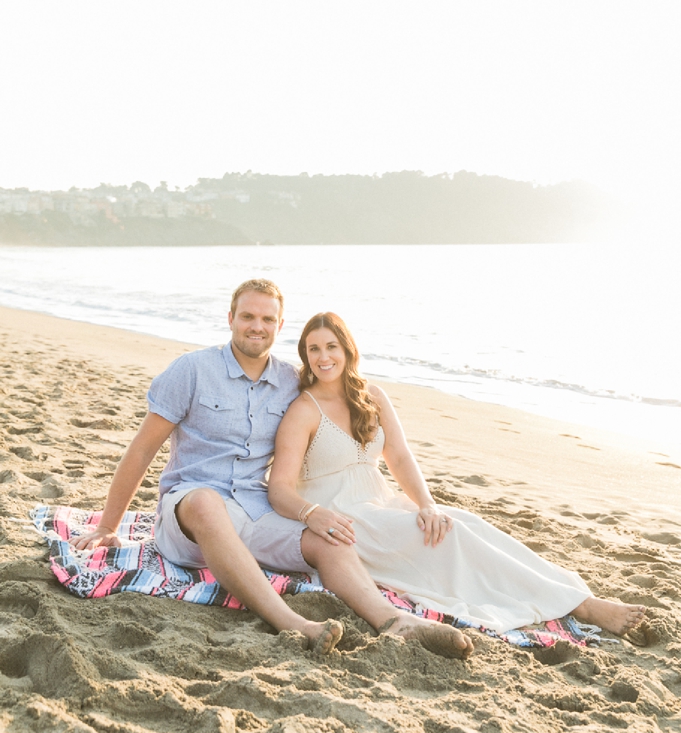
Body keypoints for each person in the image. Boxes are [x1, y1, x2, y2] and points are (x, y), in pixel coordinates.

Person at [73, 279, 472, 659]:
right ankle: (294, 623)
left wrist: (335, 497)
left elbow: (336, 400)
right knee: (206, 502)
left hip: (255, 511)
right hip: (189, 514)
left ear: (280, 326)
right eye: (248, 316)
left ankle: (394, 620)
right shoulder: (191, 370)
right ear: (230, 317)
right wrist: (109, 526)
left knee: (330, 536)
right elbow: (141, 451)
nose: (257, 327)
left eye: (267, 320)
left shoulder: (289, 381)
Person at [267, 311, 646, 637]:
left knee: (460, 522)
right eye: (313, 349)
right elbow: (279, 489)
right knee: (453, 540)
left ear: (348, 350)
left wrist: (427, 504)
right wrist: (314, 516)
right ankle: (583, 608)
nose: (323, 357)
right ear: (305, 355)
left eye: (331, 346)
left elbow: (398, 455)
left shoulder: (372, 396)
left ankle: (578, 597)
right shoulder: (304, 410)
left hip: (381, 501)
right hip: (344, 518)